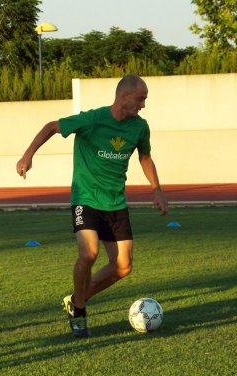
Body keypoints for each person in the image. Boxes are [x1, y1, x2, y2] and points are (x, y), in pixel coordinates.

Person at [16, 74, 168, 338]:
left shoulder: (140, 127)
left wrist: (157, 189)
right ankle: (81, 311)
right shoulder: (92, 119)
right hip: (86, 198)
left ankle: (76, 300)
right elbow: (52, 126)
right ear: (124, 96)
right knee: (89, 254)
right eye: (141, 98)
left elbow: (145, 156)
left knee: (123, 266)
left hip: (116, 202)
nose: (143, 105)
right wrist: (28, 155)